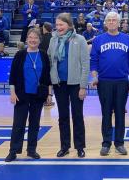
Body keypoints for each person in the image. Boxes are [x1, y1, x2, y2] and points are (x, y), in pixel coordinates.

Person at [90, 12, 129, 156]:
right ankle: (106, 143)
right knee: (106, 113)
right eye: (109, 20)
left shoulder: (128, 39)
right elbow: (93, 61)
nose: (111, 22)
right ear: (105, 23)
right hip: (104, 82)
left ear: (119, 23)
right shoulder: (98, 40)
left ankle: (119, 143)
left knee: (120, 113)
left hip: (122, 82)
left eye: (114, 20)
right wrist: (94, 77)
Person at [5, 28, 51, 162]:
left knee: (34, 124)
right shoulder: (20, 54)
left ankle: (31, 150)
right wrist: (12, 93)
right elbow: (12, 76)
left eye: (35, 38)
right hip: (21, 95)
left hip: (38, 96)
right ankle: (13, 151)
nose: (32, 40)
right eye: (30, 37)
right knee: (18, 124)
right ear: (26, 40)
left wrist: (49, 94)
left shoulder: (43, 55)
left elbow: (47, 77)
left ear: (39, 40)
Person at [48, 13, 90, 158]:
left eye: (61, 24)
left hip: (76, 84)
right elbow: (50, 61)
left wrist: (83, 86)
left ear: (69, 25)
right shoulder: (53, 40)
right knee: (63, 116)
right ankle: (64, 146)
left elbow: (85, 64)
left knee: (77, 115)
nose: (58, 27)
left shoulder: (80, 39)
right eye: (57, 24)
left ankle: (80, 147)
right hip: (59, 84)